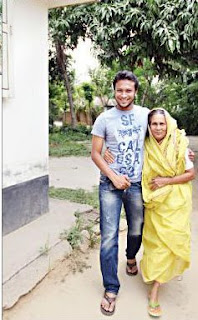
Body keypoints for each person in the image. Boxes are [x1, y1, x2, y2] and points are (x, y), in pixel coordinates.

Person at [91, 70, 150, 316]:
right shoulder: (104, 119)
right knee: (108, 237)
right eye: (119, 90)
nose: (123, 95)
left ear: (135, 92)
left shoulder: (146, 115)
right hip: (109, 185)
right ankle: (111, 288)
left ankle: (130, 257)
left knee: (137, 229)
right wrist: (113, 176)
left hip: (136, 184)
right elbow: (95, 152)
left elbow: (164, 136)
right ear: (114, 91)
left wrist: (184, 154)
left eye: (128, 90)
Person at [140, 108, 195, 317]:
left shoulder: (180, 144)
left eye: (162, 124)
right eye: (154, 124)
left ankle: (154, 291)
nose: (158, 128)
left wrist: (167, 181)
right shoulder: (145, 145)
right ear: (149, 126)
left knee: (170, 243)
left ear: (168, 124)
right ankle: (157, 275)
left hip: (176, 202)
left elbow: (190, 174)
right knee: (156, 244)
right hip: (155, 202)